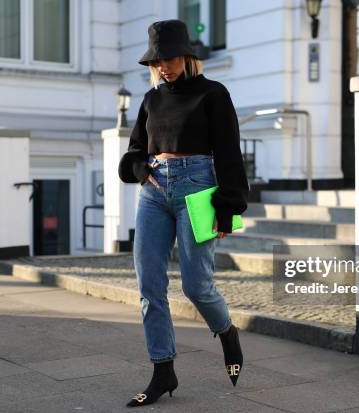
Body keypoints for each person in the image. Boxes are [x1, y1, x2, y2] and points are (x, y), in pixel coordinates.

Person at [117, 19, 249, 408]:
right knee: (148, 285)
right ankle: (163, 370)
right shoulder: (150, 100)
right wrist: (142, 170)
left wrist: (226, 208)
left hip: (199, 188)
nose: (163, 67)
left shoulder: (213, 94)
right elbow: (134, 152)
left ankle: (226, 332)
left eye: (169, 58)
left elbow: (228, 152)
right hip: (154, 192)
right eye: (156, 61)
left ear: (188, 56)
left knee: (196, 285)